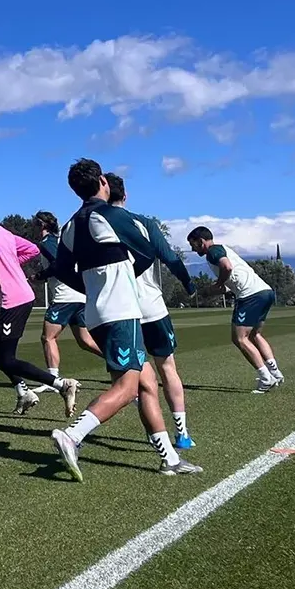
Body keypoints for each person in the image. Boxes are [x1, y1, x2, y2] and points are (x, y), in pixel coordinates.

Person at [49, 159, 201, 481]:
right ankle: (72, 436)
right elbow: (148, 251)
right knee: (128, 385)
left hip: (96, 314)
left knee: (147, 382)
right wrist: (123, 277)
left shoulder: (71, 225)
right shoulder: (111, 214)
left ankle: (169, 459)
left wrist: (93, 286)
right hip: (120, 313)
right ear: (102, 181)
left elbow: (61, 270)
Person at [0, 195, 78, 416]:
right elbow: (31, 250)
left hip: (15, 300)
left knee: (7, 358)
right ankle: (23, 393)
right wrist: (10, 264)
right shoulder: (0, 230)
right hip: (19, 296)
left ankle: (62, 385)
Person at [106, 173, 196, 449]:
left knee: (137, 376)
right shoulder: (145, 223)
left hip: (119, 310)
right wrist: (188, 284)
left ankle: (154, 429)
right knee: (167, 367)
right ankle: (182, 433)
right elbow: (170, 257)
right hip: (152, 307)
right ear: (126, 195)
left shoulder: (95, 222)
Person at [187, 226, 286, 393]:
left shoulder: (213, 251)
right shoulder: (224, 250)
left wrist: (218, 283)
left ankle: (265, 378)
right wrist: (209, 291)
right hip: (265, 292)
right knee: (255, 335)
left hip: (250, 296)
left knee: (240, 339)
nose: (192, 249)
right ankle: (275, 373)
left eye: (193, 245)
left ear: (201, 241)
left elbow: (227, 268)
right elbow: (230, 283)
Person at [32, 211, 100, 403]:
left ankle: (52, 380)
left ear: (41, 224)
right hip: (79, 295)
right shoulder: (62, 241)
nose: (33, 227)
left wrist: (39, 276)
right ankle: (118, 363)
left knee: (48, 337)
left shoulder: (47, 243)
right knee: (85, 341)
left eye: (35, 224)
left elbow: (58, 264)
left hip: (65, 297)